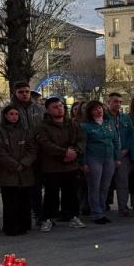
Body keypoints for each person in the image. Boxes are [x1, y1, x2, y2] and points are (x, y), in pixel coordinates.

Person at [35, 97, 86, 232]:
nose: (59, 109)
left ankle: (73, 216)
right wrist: (64, 153)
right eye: (55, 107)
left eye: (60, 106)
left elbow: (81, 139)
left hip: (71, 165)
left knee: (71, 193)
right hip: (52, 166)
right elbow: (45, 144)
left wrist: (74, 152)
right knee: (51, 194)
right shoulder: (43, 126)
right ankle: (47, 218)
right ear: (48, 110)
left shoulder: (72, 124)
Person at [0, 104, 37, 235]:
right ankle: (10, 227)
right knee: (10, 201)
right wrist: (14, 165)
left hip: (24, 170)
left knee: (24, 200)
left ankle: (24, 225)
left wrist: (24, 163)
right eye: (11, 114)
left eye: (16, 114)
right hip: (8, 172)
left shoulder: (25, 130)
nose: (14, 117)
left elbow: (32, 149)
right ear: (5, 115)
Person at [80, 100, 120, 225]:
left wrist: (117, 158)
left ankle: (102, 210)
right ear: (90, 112)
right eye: (95, 109)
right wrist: (84, 163)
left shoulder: (109, 123)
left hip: (109, 158)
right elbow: (83, 146)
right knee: (94, 186)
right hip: (93, 158)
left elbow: (115, 141)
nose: (99, 111)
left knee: (105, 186)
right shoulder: (86, 126)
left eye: (100, 108)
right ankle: (96, 213)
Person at [11, 80, 45, 224]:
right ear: (15, 93)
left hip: (39, 151)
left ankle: (39, 213)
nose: (24, 94)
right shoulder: (10, 109)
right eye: (21, 92)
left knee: (37, 184)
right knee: (22, 185)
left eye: (27, 91)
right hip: (21, 152)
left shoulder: (38, 109)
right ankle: (23, 214)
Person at [105, 93, 134, 216]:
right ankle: (101, 209)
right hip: (107, 156)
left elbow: (131, 135)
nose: (118, 104)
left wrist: (127, 149)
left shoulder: (126, 118)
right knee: (105, 184)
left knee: (123, 183)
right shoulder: (104, 117)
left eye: (120, 102)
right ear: (109, 102)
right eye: (115, 101)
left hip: (123, 155)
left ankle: (123, 208)